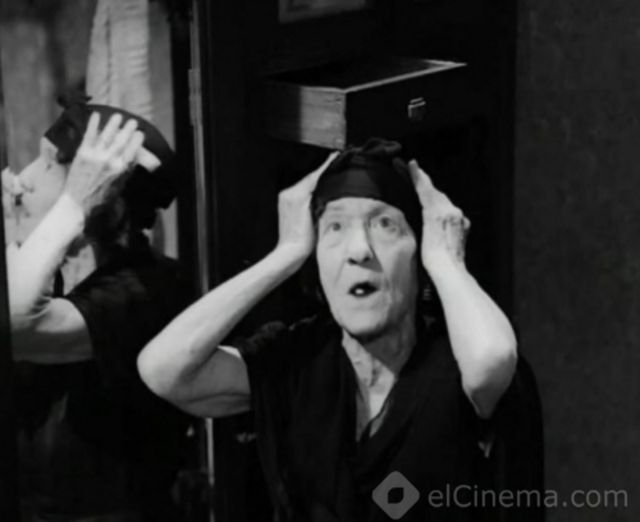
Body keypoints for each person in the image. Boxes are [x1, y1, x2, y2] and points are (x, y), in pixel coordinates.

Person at [138, 139, 538, 521]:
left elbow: (493, 360)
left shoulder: (453, 365)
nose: (358, 250)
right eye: (335, 228)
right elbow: (165, 370)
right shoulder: (299, 360)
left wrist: (448, 261)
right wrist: (285, 255)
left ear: (419, 253)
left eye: (385, 225)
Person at [3, 93, 191, 522]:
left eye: (50, 165)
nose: (23, 178)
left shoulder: (149, 289)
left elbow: (13, 326)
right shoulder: (51, 274)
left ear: (104, 197)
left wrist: (73, 205)